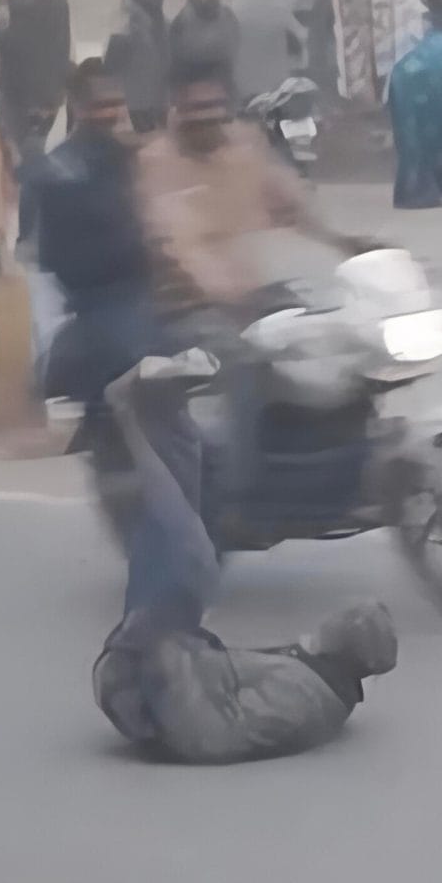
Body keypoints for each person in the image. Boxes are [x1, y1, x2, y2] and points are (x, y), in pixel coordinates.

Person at [92, 359, 399, 767]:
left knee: (192, 559)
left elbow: (214, 734)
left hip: (151, 694)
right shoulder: (311, 675)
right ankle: (165, 410)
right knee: (193, 517)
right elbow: (228, 678)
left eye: (346, 618)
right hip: (155, 682)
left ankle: (129, 414)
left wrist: (166, 650)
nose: (334, 616)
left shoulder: (307, 694)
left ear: (347, 643)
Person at [137, 63, 372, 533]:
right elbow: (181, 243)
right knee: (245, 361)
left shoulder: (245, 146)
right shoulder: (158, 163)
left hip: (253, 294)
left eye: (213, 107)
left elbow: (289, 202)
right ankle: (236, 498)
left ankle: (343, 461)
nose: (205, 119)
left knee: (337, 335)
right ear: (174, 111)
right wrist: (224, 293)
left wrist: (347, 243)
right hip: (186, 306)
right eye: (193, 109)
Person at [25, 59, 152, 409]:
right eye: (100, 105)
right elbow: (59, 268)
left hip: (139, 302)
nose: (111, 113)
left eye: (116, 103)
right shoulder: (59, 173)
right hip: (94, 312)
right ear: (78, 108)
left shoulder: (132, 159)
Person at [0, 0, 73, 164]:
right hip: (52, 97)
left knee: (23, 159)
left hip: (19, 100)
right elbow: (63, 43)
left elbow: (0, 44)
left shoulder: (6, 5)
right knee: (39, 152)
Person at [387, 14, 442, 211]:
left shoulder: (418, 53)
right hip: (422, 103)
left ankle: (406, 196)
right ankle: (429, 195)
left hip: (406, 102)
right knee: (434, 149)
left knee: (410, 148)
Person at [227, 0, 309, 109]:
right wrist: (300, 61)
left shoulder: (230, 8)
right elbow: (303, 36)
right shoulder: (277, 5)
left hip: (242, 87)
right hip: (276, 87)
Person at [107, 0, 172, 135]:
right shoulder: (124, 27)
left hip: (161, 109)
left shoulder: (165, 25)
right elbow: (109, 76)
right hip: (133, 115)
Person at [168, 0, 240, 94]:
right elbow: (176, 69)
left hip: (224, 97)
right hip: (193, 98)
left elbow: (236, 56)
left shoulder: (228, 17)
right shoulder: (180, 24)